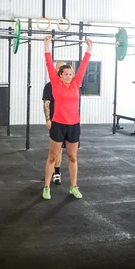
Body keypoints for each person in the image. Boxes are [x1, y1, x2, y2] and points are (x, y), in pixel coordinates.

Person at [42, 36, 93, 200]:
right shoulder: (55, 84)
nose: (69, 76)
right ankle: (46, 187)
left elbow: (84, 66)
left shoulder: (76, 83)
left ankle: (73, 186)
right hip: (58, 125)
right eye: (66, 74)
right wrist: (46, 45)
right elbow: (49, 63)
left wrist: (89, 48)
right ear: (60, 75)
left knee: (72, 157)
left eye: (71, 74)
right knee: (53, 157)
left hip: (74, 126)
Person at [42, 60, 67, 185]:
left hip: (68, 122)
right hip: (55, 122)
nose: (60, 70)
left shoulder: (69, 84)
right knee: (54, 150)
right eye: (58, 68)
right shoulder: (49, 86)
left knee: (62, 149)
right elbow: (46, 103)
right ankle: (52, 171)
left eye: (63, 67)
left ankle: (57, 172)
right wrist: (48, 120)